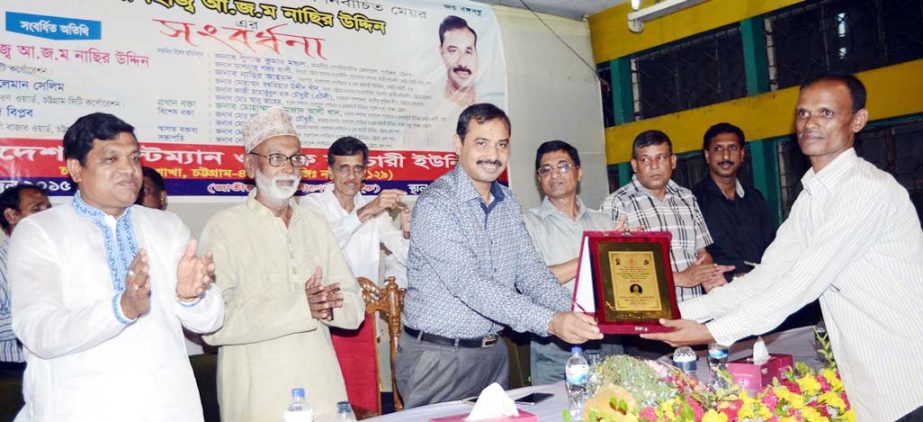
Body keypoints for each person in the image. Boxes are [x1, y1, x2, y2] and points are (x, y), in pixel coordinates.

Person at [642, 74, 923, 420]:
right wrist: (676, 314)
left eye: (826, 113)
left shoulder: (867, 190)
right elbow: (768, 276)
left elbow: (800, 284)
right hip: (875, 386)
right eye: (803, 114)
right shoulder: (813, 197)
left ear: (858, 120)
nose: (810, 123)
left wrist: (712, 331)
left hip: (908, 377)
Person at [9, 112, 222, 421]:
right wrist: (120, 308)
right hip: (79, 408)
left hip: (167, 407)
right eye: (111, 159)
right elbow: (39, 332)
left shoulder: (167, 226)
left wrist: (191, 298)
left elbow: (211, 321)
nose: (128, 170)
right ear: (75, 169)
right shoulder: (40, 232)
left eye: (134, 158)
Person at [397, 104, 603, 407]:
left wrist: (578, 315)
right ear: (458, 145)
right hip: (439, 360)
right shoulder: (436, 204)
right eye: (481, 142)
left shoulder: (506, 201)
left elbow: (532, 273)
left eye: (501, 144)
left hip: (493, 356)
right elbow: (471, 284)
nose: (493, 155)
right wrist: (551, 322)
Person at [200, 107, 364, 422]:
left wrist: (327, 306)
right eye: (276, 158)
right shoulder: (225, 227)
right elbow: (214, 324)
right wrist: (302, 306)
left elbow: (354, 308)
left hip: (322, 389)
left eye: (295, 158)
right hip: (259, 396)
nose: (288, 167)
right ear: (250, 165)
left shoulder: (314, 223)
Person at [522, 140, 624, 385]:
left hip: (608, 337)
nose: (554, 174)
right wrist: (594, 253)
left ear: (579, 172)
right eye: (545, 170)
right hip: (556, 344)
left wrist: (633, 249)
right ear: (539, 179)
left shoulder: (605, 222)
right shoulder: (526, 222)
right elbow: (532, 279)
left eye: (563, 167)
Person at [600, 130, 733, 303]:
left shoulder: (687, 198)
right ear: (634, 165)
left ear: (673, 161)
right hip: (646, 311)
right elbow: (612, 269)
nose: (654, 166)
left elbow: (702, 253)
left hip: (694, 308)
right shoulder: (617, 203)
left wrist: (710, 276)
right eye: (645, 159)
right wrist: (680, 278)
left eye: (661, 158)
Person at [301, 136, 410, 285]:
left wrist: (408, 235)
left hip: (366, 305)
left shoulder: (375, 210)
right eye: (344, 169)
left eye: (358, 169)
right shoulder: (312, 204)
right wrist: (366, 211)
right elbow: (323, 245)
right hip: (329, 304)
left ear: (364, 172)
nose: (352, 176)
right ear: (330, 172)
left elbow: (403, 252)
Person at [692, 123, 775, 277]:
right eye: (718, 149)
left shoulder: (755, 198)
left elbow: (772, 245)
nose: (725, 156)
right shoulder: (693, 201)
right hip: (720, 292)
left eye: (732, 148)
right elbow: (696, 256)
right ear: (707, 155)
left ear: (742, 154)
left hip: (763, 287)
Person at [403, 15, 480, 151]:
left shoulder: (491, 103)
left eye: (468, 51)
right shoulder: (424, 114)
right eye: (453, 51)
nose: (462, 62)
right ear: (442, 52)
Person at [0, 185, 51, 367]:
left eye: (48, 209)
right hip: (11, 369)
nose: (47, 216)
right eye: (36, 209)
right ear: (11, 216)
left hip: (55, 365)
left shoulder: (58, 257)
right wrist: (38, 318)